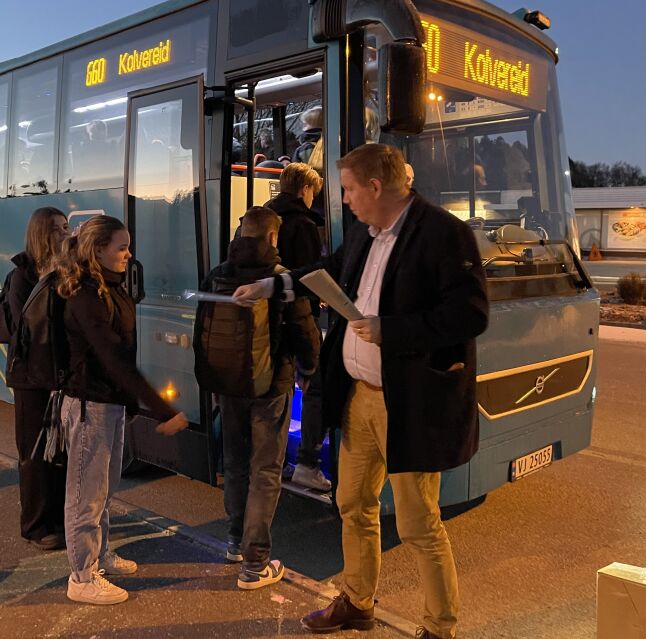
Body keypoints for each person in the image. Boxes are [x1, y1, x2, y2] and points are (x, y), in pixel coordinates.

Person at [234, 144, 489, 638]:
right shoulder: (363, 234)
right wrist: (273, 286)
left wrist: (392, 329)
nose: (344, 198)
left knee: (418, 522)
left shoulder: (443, 233)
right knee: (352, 503)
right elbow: (327, 274)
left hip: (407, 403)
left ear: (376, 186)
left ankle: (440, 627)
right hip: (358, 398)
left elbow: (471, 314)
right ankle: (357, 602)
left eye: (350, 188)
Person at [55, 215, 188, 605]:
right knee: (85, 494)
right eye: (122, 247)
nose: (129, 254)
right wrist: (160, 408)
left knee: (105, 489)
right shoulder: (84, 295)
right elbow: (113, 357)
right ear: (98, 250)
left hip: (108, 404)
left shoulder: (109, 288)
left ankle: (99, 555)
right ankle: (81, 576)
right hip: (88, 405)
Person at [202, 206, 320, 590]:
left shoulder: (219, 273)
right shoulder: (279, 278)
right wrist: (310, 367)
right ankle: (255, 564)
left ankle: (235, 542)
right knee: (266, 470)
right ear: (273, 237)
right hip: (272, 386)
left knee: (235, 464)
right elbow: (304, 332)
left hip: (228, 385)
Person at [4, 206, 71, 550]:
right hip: (31, 378)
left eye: (67, 226)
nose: (66, 233)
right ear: (43, 233)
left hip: (58, 376)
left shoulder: (67, 271)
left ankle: (60, 518)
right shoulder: (24, 276)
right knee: (33, 453)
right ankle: (35, 526)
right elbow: (28, 329)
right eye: (60, 228)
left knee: (59, 452)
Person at [263, 164, 330, 491]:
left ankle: (272, 462)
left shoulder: (261, 217)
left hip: (266, 321)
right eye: (313, 191)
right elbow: (308, 277)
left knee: (277, 390)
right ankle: (308, 461)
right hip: (296, 318)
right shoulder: (303, 224)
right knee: (315, 387)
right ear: (304, 188)